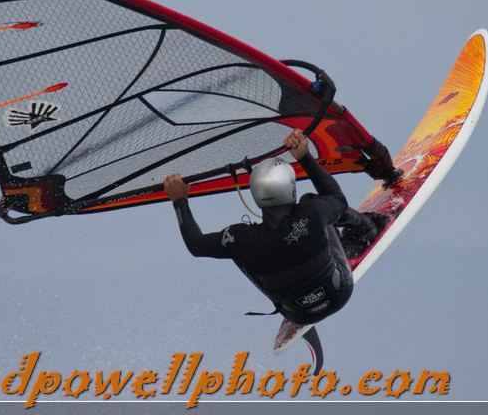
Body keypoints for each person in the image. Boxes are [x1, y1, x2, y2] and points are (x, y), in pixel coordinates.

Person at [163, 129, 387, 325]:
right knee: (316, 203)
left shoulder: (241, 237)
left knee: (236, 250)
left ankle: (291, 299)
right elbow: (338, 200)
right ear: (289, 188)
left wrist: (179, 201)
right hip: (339, 292)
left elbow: (196, 245)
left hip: (298, 313)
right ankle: (368, 229)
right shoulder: (311, 213)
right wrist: (304, 157)